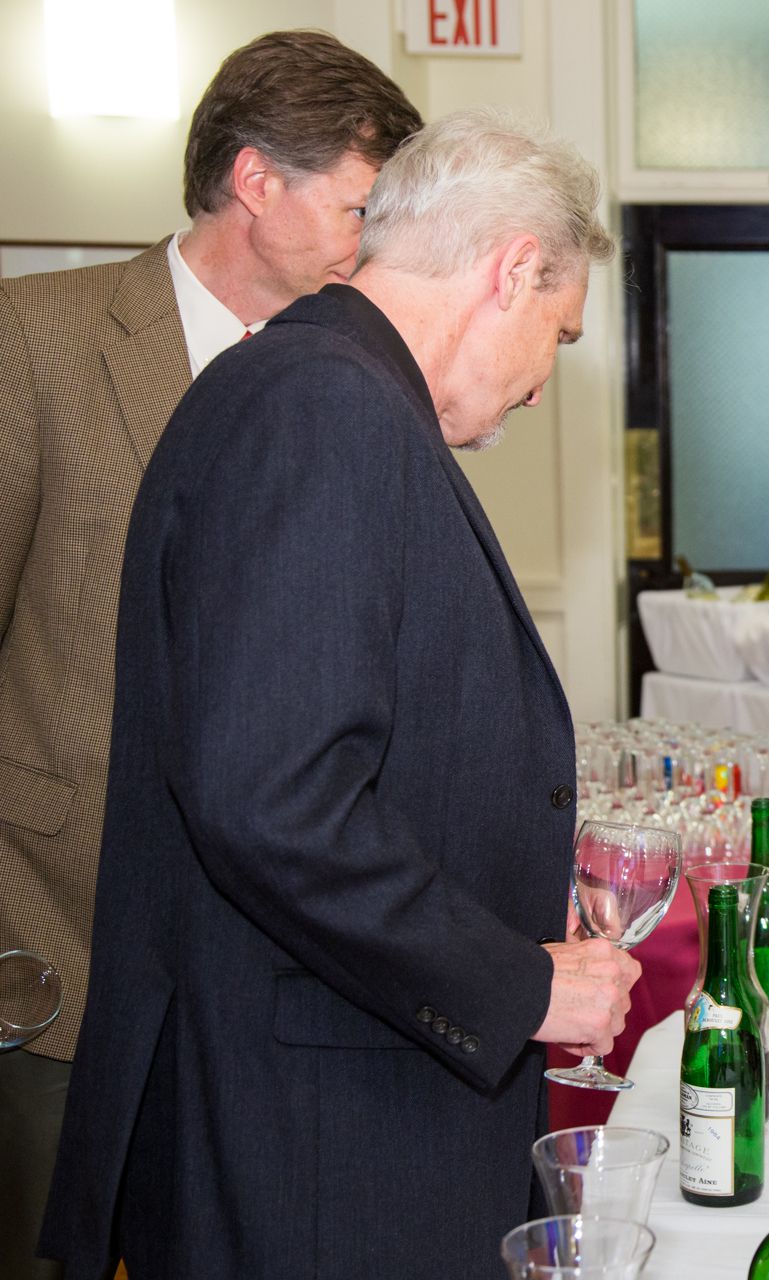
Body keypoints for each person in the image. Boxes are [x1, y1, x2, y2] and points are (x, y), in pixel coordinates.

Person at [36, 109, 636, 1279]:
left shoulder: (333, 396)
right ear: (513, 269)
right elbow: (277, 798)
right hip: (316, 1135)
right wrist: (522, 983)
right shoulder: (323, 407)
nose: (538, 383)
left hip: (329, 1099)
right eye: (559, 333)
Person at [0, 31, 420, 1280]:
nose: (374, 239)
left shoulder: (361, 376)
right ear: (255, 183)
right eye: (358, 205)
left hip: (273, 971)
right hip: (55, 939)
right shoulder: (39, 340)